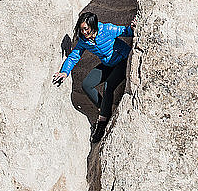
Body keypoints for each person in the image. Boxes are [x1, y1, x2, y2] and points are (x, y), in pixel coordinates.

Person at [52, 11, 136, 143]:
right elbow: (74, 56)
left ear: (93, 25)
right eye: (81, 29)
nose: (84, 32)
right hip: (108, 64)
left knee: (108, 85)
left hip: (122, 60)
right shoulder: (84, 41)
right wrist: (64, 72)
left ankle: (102, 122)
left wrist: (133, 27)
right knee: (86, 85)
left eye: (86, 28)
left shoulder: (107, 29)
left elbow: (126, 31)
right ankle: (105, 108)